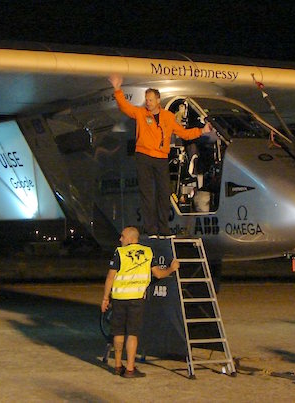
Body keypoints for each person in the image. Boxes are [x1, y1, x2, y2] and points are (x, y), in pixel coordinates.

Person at [109, 74, 215, 238]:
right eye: (146, 99)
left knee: (164, 193)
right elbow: (124, 106)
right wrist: (117, 89)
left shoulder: (168, 117)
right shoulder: (140, 113)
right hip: (143, 156)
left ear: (158, 100)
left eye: (150, 99)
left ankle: (164, 231)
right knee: (147, 194)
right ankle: (151, 231)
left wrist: (202, 130)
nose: (148, 102)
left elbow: (184, 134)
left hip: (161, 158)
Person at [101, 226, 179, 378]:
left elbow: (110, 277)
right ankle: (130, 368)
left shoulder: (120, 253)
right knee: (132, 333)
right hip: (136, 299)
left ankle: (117, 365)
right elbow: (158, 274)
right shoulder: (148, 252)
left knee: (118, 332)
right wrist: (171, 268)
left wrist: (105, 298)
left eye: (122, 236)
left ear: (130, 238)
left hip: (119, 298)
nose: (120, 239)